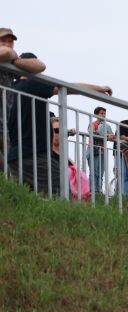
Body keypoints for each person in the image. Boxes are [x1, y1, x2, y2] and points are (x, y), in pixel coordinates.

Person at [6, 52, 111, 196]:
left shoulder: (13, 87)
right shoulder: (32, 84)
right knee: (59, 193)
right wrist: (98, 88)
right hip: (33, 154)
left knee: (29, 198)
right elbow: (68, 88)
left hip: (15, 156)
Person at [0, 29, 46, 156]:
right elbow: (7, 52)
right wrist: (12, 55)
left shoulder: (10, 63)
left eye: (10, 42)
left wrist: (15, 61)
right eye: (3, 40)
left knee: (5, 171)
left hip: (4, 125)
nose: (8, 44)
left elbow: (40, 66)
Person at [85, 106, 114, 197]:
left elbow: (112, 136)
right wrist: (105, 135)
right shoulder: (93, 124)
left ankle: (99, 191)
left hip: (102, 150)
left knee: (101, 172)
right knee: (94, 172)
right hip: (93, 149)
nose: (103, 115)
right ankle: (92, 190)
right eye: (101, 113)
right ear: (96, 114)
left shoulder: (107, 126)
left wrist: (109, 136)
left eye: (104, 113)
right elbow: (92, 133)